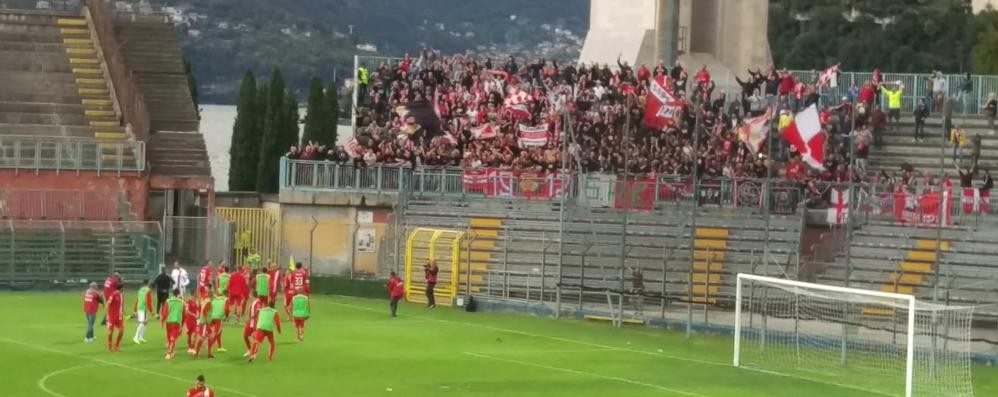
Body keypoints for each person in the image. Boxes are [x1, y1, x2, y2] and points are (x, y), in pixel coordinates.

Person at [160, 289, 184, 360]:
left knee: (169, 338)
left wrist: (162, 321)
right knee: (173, 338)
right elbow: (184, 314)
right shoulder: (181, 302)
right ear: (179, 294)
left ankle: (172, 351)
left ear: (173, 294)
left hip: (168, 322)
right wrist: (182, 324)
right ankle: (169, 353)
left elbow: (164, 312)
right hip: (176, 322)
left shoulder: (168, 301)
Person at [243, 291, 265, 357]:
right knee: (245, 336)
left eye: (250, 294)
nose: (249, 296)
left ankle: (254, 353)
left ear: (252, 295)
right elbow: (251, 310)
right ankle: (249, 350)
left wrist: (253, 316)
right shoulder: (253, 302)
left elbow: (258, 310)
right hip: (250, 322)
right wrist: (248, 316)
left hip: (256, 322)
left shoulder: (258, 302)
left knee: (255, 338)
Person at [132, 279, 153, 344]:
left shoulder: (140, 290)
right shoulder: (148, 291)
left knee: (145, 322)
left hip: (139, 307)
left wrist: (135, 309)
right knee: (142, 323)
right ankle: (136, 337)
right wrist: (151, 310)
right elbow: (148, 301)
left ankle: (140, 337)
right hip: (143, 308)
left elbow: (137, 299)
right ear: (148, 283)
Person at [105, 283, 124, 352]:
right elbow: (107, 304)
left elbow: (121, 305)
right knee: (110, 332)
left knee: (121, 330)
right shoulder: (113, 294)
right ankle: (110, 346)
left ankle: (116, 345)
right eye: (123, 288)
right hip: (112, 316)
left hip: (119, 317)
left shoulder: (122, 295)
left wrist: (122, 312)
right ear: (121, 288)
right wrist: (107, 315)